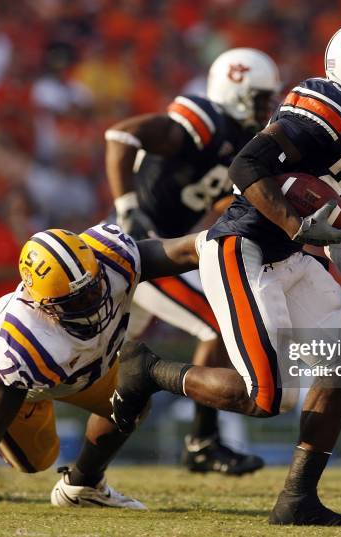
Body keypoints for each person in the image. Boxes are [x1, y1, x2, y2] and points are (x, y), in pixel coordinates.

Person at [110, 20, 341, 526]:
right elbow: (247, 166)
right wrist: (296, 223)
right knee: (267, 398)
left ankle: (297, 500)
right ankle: (150, 372)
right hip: (241, 249)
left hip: (289, 257)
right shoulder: (327, 107)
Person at [0, 223, 199, 512]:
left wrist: (211, 243)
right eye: (77, 301)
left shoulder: (108, 256)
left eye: (92, 289)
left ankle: (83, 486)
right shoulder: (24, 343)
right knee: (35, 461)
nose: (93, 304)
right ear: (44, 306)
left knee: (132, 397)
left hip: (77, 368)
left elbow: (176, 253)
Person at [105, 48, 281, 474]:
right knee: (218, 323)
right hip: (137, 250)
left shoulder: (241, 141)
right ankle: (202, 442)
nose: (266, 107)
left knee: (109, 371)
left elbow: (218, 194)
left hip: (160, 258)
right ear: (235, 89)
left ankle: (87, 475)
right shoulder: (204, 120)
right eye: (259, 97)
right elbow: (121, 135)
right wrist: (127, 204)